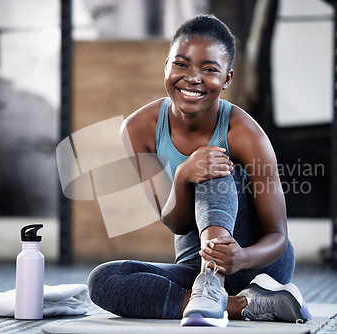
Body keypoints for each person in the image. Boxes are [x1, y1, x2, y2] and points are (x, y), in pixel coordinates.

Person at [87, 14, 311, 327]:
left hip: (257, 263)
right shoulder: (138, 129)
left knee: (213, 164)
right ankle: (241, 305)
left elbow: (279, 236)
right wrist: (182, 175)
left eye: (209, 69)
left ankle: (214, 287)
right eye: (181, 64)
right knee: (103, 280)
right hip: (194, 264)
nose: (192, 78)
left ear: (227, 79)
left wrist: (241, 258)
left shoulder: (246, 133)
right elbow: (177, 224)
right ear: (166, 66)